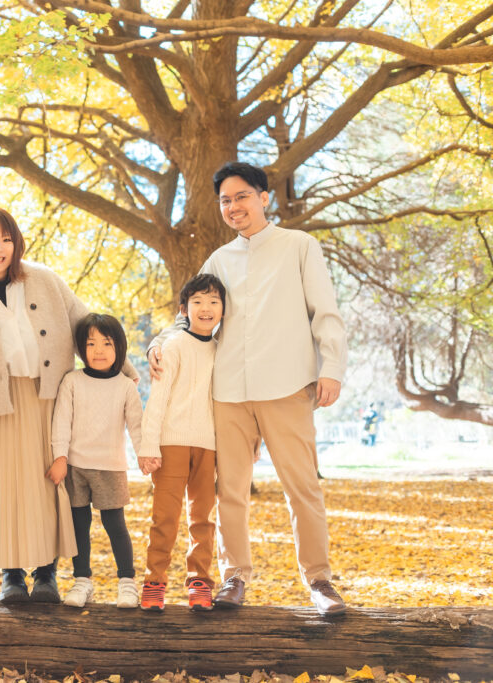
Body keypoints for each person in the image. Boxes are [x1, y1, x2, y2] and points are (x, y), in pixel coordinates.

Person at [147, 161, 348, 616]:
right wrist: (161, 342)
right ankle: (235, 576)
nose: (233, 207)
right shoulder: (219, 260)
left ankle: (319, 581)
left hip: (287, 386)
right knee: (230, 491)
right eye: (225, 200)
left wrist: (331, 367)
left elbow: (326, 311)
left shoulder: (299, 246)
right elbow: (192, 309)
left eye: (241, 197)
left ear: (263, 198)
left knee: (303, 488)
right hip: (229, 393)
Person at [0, 205, 139, 604]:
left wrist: (125, 368)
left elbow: (85, 321)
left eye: (6, 239)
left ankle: (47, 573)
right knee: (4, 491)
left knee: (49, 488)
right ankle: (11, 575)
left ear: (17, 243)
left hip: (47, 399)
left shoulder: (44, 279)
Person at [138, 274, 224, 612]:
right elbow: (157, 399)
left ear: (222, 310)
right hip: (171, 443)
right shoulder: (172, 346)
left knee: (203, 517)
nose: (206, 308)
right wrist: (149, 445)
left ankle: (200, 582)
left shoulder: (222, 351)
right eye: (198, 302)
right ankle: (154, 582)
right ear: (184, 309)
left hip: (209, 444)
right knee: (165, 518)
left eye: (214, 302)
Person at [51, 313, 143, 609]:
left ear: (119, 348)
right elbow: (61, 422)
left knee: (115, 524)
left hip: (111, 466)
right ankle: (82, 581)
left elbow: (137, 425)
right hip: (75, 466)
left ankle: (127, 584)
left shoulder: (126, 385)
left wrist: (144, 454)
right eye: (91, 344)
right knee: (79, 524)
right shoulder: (73, 381)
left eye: (106, 343)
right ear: (81, 348)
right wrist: (60, 458)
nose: (99, 350)